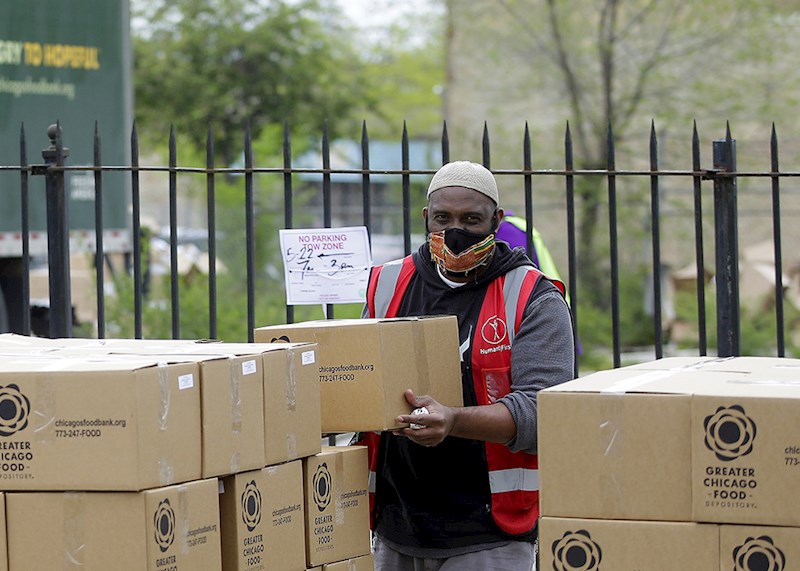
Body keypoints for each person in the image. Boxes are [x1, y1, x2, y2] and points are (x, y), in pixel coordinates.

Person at [358, 161, 575, 571]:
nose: (455, 231)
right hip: (397, 525)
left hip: (488, 533)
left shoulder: (534, 298)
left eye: (471, 219)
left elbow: (541, 412)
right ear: (426, 218)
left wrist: (453, 420)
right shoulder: (387, 284)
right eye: (443, 218)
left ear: (496, 221)